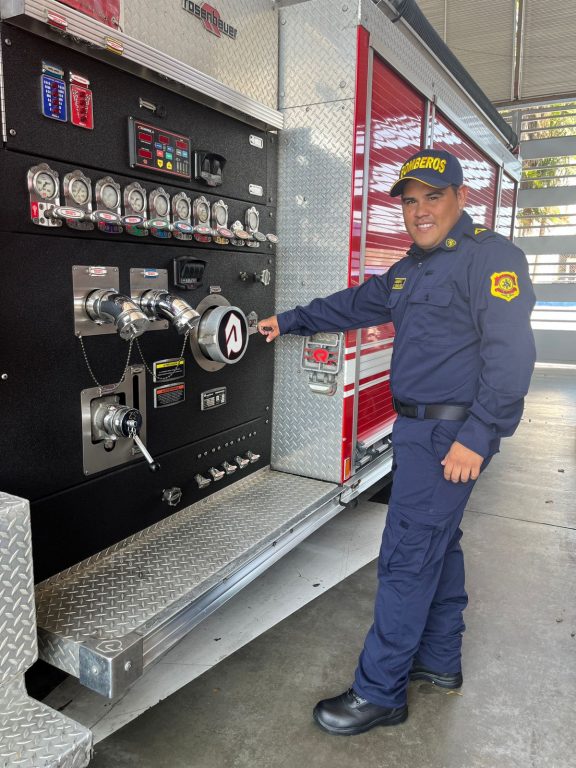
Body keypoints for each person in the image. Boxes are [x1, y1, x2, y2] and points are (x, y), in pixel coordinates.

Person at [257, 148, 536, 736]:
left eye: (432, 198)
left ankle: (379, 692)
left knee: (405, 561)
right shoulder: (411, 268)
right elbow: (356, 304)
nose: (419, 211)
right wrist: (290, 319)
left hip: (449, 436)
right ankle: (438, 663)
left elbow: (511, 359)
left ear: (462, 199)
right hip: (417, 432)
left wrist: (477, 438)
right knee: (439, 544)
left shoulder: (491, 259)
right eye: (409, 201)